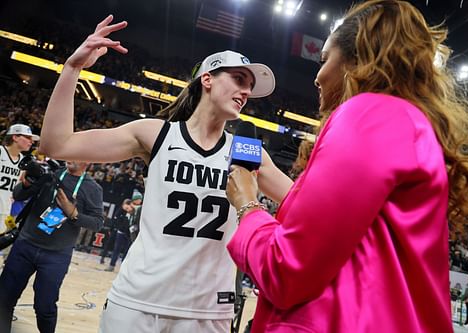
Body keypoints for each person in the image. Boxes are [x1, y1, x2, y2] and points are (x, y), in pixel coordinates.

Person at [225, 1, 468, 332]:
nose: (317, 77)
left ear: (356, 60)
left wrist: (247, 206)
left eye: (323, 60)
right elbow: (348, 232)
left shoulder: (367, 115)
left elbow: (288, 269)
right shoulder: (403, 121)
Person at [38, 15, 292, 333]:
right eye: (239, 79)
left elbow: (304, 203)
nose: (246, 90)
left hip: (208, 311)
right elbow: (56, 144)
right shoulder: (155, 134)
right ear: (207, 79)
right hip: (137, 301)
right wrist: (72, 69)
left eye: (250, 86)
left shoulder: (248, 152)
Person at [0, 161, 104, 333]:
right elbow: (18, 195)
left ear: (88, 160)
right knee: (4, 299)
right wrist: (26, 184)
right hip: (25, 245)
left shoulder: (93, 188)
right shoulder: (50, 173)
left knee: (44, 307)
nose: (71, 156)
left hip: (56, 256)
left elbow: (97, 223)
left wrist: (73, 213)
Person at [0, 124, 39, 236]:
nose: (31, 142)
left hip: (4, 211)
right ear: (15, 137)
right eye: (27, 138)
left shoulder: (24, 161)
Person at [104, 198, 134, 272]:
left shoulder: (133, 213)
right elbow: (116, 220)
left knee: (127, 251)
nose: (127, 208)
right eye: (126, 207)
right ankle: (111, 265)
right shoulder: (120, 211)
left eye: (128, 207)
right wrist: (118, 228)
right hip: (120, 232)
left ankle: (123, 268)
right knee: (116, 249)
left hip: (129, 234)